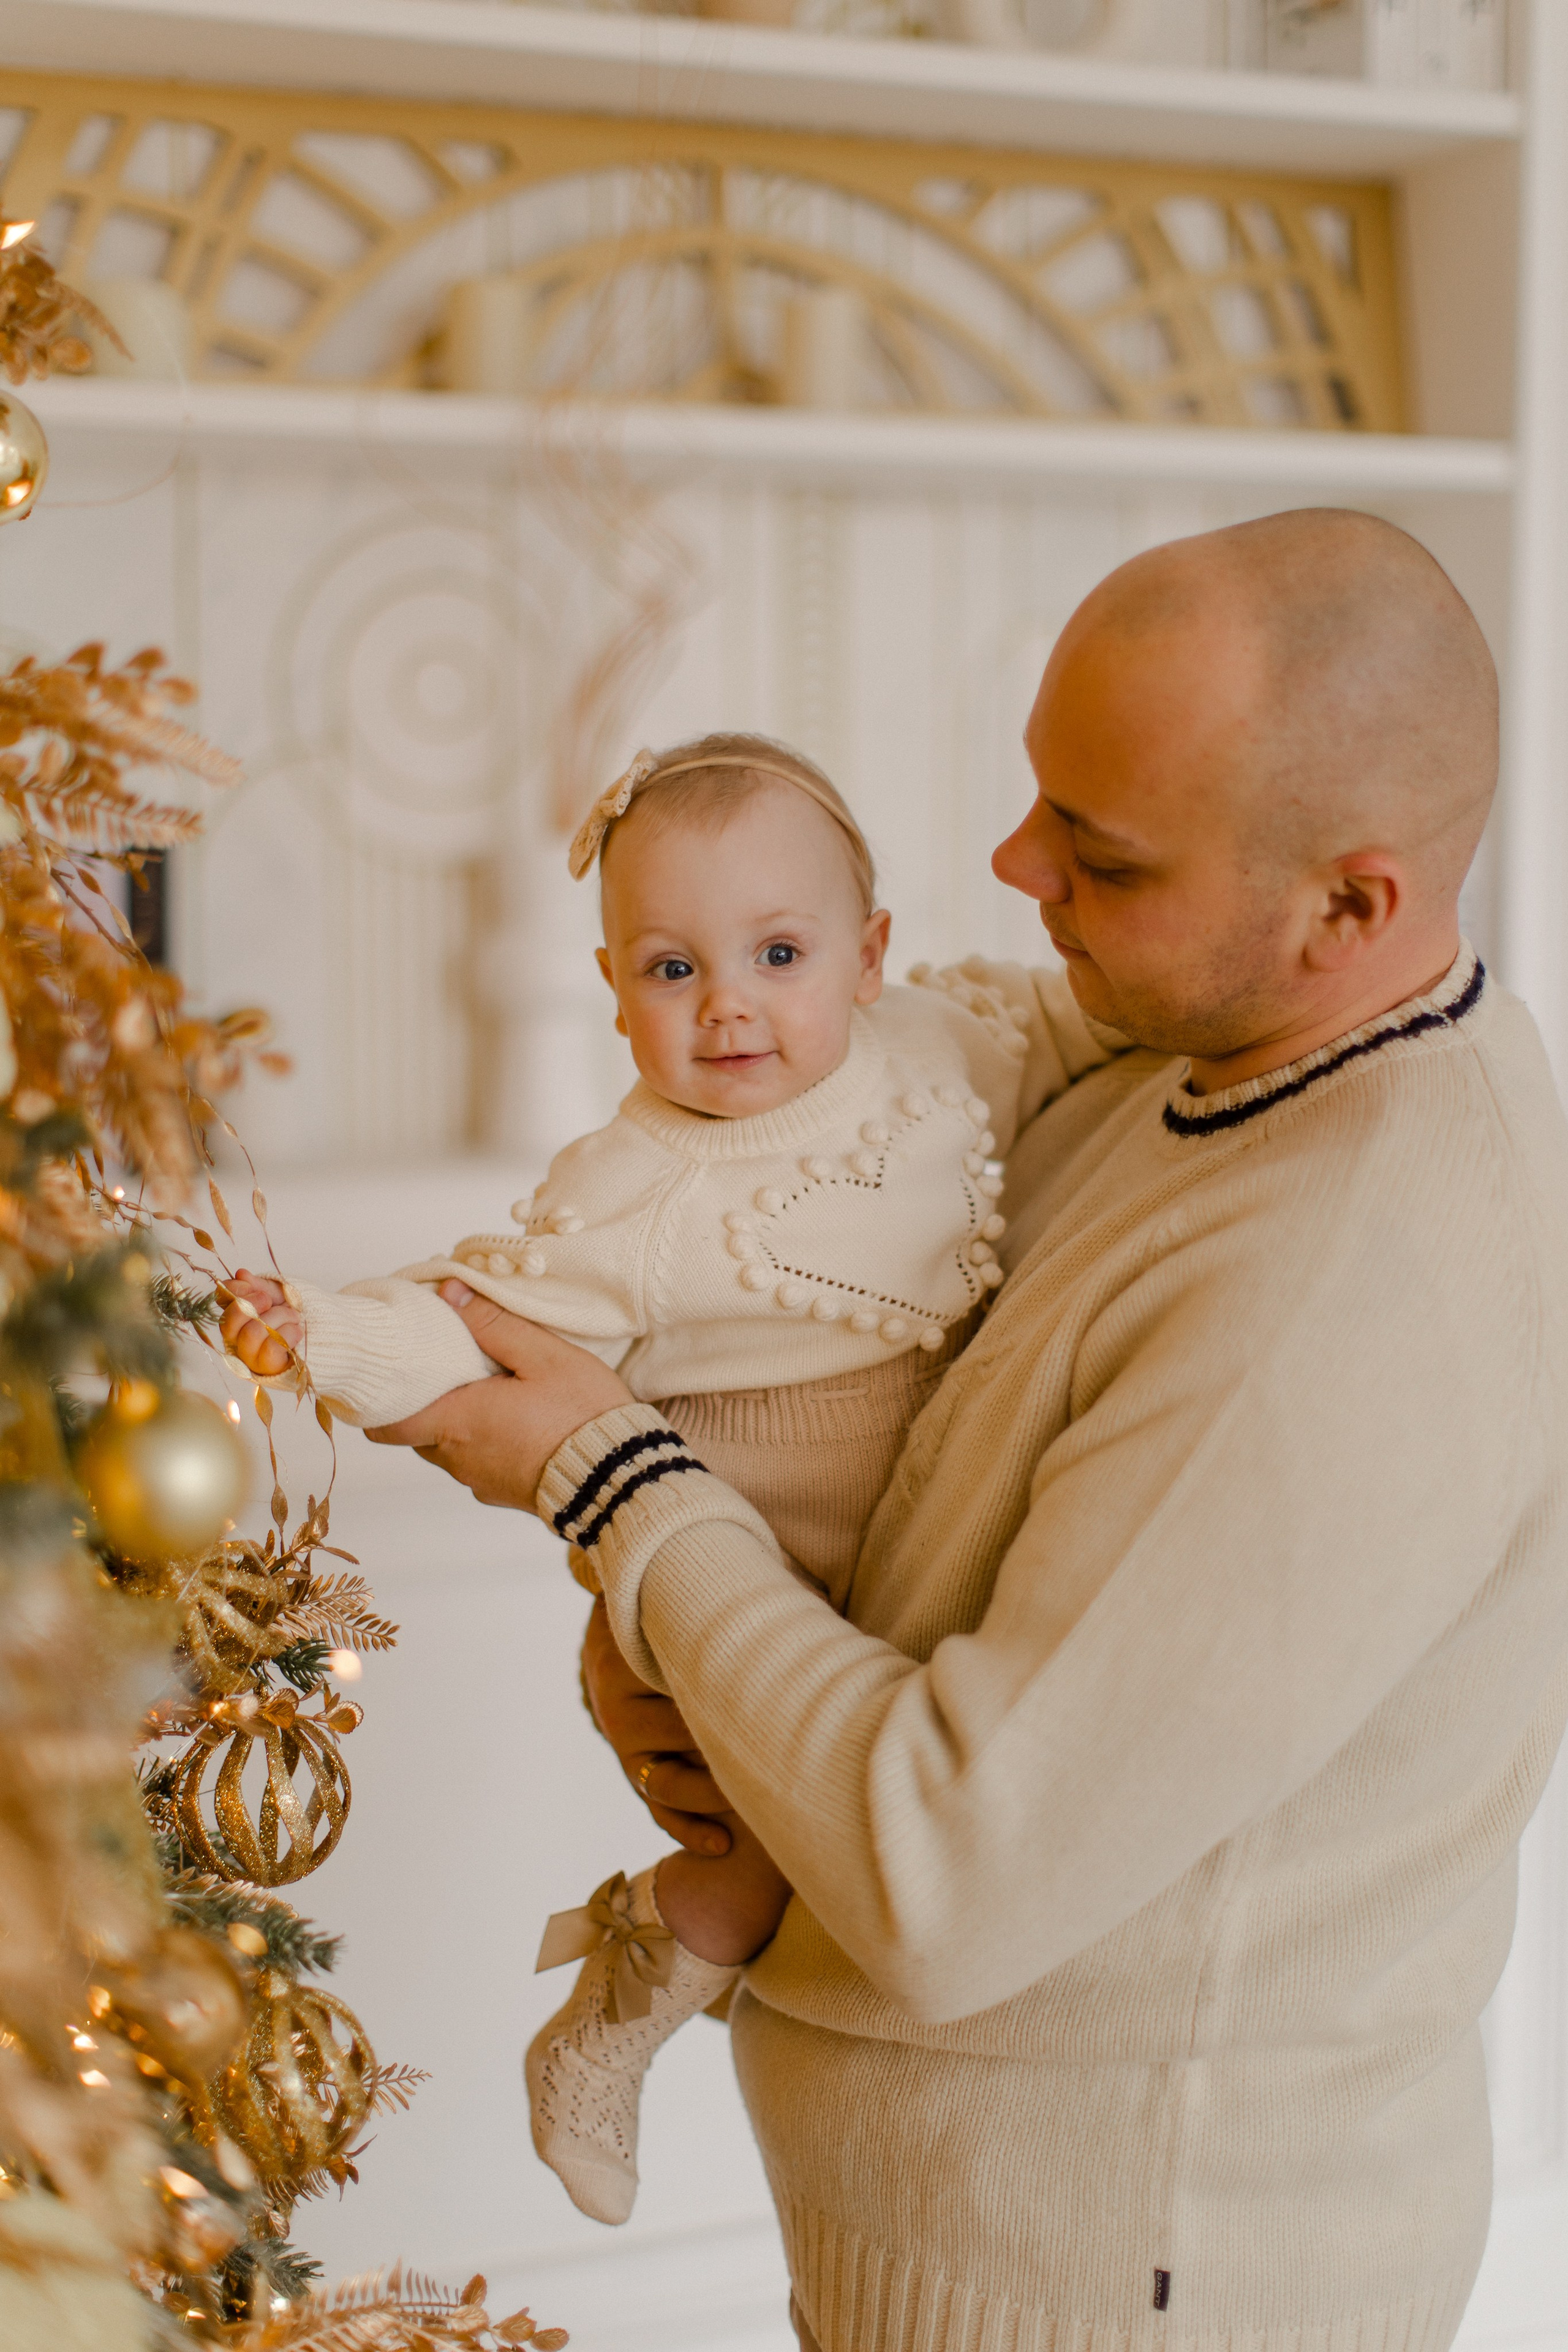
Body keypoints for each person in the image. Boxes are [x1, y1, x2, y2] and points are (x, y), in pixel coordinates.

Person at [356, 507, 1568, 2352]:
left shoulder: (1350, 1288)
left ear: (1353, 905)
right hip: (954, 2260)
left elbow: (947, 1871)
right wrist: (669, 1644)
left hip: (1116, 2302)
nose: (1015, 866)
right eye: (1034, 800)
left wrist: (613, 1488)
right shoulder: (1177, 1055)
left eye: (1100, 850)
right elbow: (925, 1507)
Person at [219, 731, 1126, 2226]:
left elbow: (1085, 1025)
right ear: (611, 986)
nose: (730, 1010)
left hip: (915, 1580)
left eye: (778, 953)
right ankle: (610, 2023)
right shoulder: (634, 1191)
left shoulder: (945, 1046)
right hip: (741, 1581)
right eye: (670, 970)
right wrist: (314, 1327)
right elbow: (469, 1325)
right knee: (771, 1859)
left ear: (870, 953)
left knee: (952, 1827)